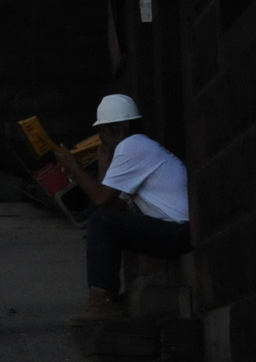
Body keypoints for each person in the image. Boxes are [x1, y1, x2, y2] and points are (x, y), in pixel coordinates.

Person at [54, 94, 191, 315]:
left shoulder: (132, 146)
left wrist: (74, 167)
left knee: (100, 222)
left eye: (104, 132)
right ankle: (104, 299)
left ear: (120, 129)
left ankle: (102, 302)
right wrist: (104, 162)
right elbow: (111, 207)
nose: (101, 138)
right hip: (179, 230)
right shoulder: (139, 146)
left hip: (180, 230)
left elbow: (100, 200)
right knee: (105, 221)